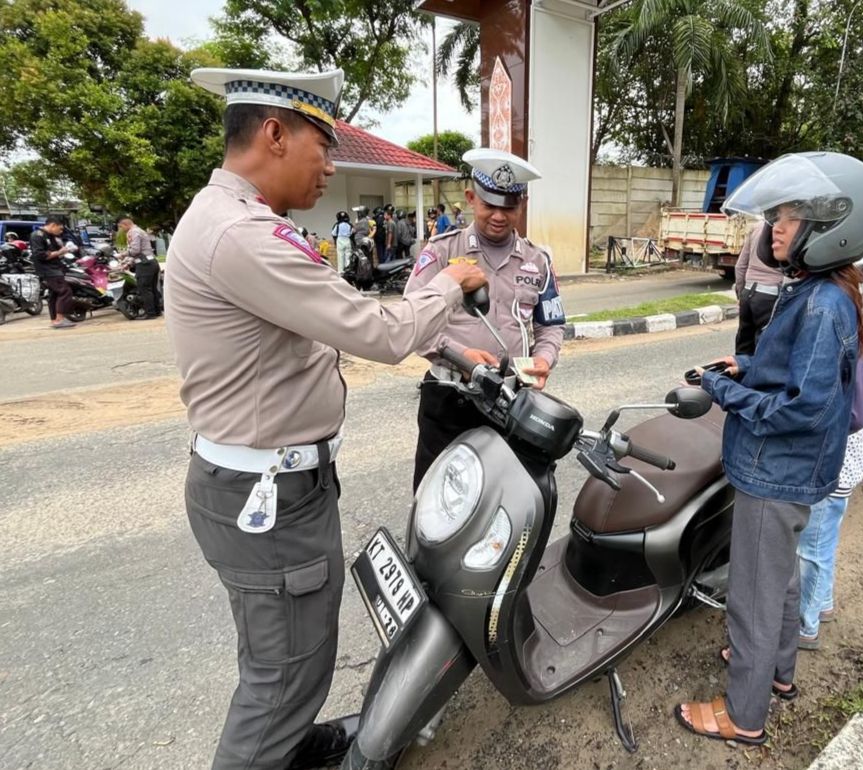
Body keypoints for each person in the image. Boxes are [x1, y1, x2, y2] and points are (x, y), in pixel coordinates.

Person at [166, 65, 486, 770]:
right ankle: (270, 748)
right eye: (324, 143)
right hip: (267, 497)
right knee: (280, 673)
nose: (331, 165)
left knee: (287, 652)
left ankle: (291, 743)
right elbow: (378, 332)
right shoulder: (242, 234)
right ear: (275, 134)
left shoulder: (232, 220)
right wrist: (448, 284)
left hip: (268, 486)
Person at [674, 152, 863, 746]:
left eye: (791, 217)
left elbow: (801, 408)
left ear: (834, 224)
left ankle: (744, 713)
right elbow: (798, 370)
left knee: (754, 594)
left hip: (775, 469)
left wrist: (721, 389)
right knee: (783, 577)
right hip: (792, 470)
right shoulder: (824, 291)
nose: (777, 228)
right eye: (778, 216)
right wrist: (745, 365)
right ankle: (779, 671)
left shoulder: (821, 302)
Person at [404, 148, 566, 490]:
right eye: (489, 204)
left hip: (512, 399)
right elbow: (411, 321)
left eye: (509, 207)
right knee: (438, 495)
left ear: (522, 204)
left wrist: (544, 358)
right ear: (470, 198)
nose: (498, 216)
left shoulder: (537, 261)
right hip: (450, 397)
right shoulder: (442, 252)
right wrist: (461, 357)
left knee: (506, 497)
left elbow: (550, 325)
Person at [797, 356, 863, 649]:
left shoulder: (851, 348)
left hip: (832, 464)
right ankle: (822, 603)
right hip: (840, 461)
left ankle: (805, 625)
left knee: (811, 550)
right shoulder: (859, 343)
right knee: (822, 542)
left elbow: (855, 415)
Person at [732, 220, 784, 355]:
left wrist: (741, 294)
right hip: (770, 295)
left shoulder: (756, 227)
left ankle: (739, 367)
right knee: (764, 347)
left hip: (748, 292)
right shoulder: (785, 229)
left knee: (743, 343)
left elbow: (740, 266)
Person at [29, 214, 78, 329]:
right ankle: (60, 319)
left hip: (55, 267)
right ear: (53, 225)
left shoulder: (50, 236)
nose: (61, 231)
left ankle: (55, 320)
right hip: (48, 270)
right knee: (64, 291)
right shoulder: (37, 235)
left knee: (54, 294)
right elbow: (40, 255)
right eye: (60, 228)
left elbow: (57, 250)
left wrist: (65, 249)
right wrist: (59, 252)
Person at [117, 214, 161, 318]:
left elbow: (135, 250)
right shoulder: (140, 231)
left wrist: (122, 255)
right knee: (152, 289)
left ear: (125, 224)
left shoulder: (133, 232)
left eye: (121, 226)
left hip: (145, 265)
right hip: (151, 262)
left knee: (144, 289)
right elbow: (140, 252)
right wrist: (128, 263)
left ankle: (150, 313)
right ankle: (156, 311)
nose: (121, 229)